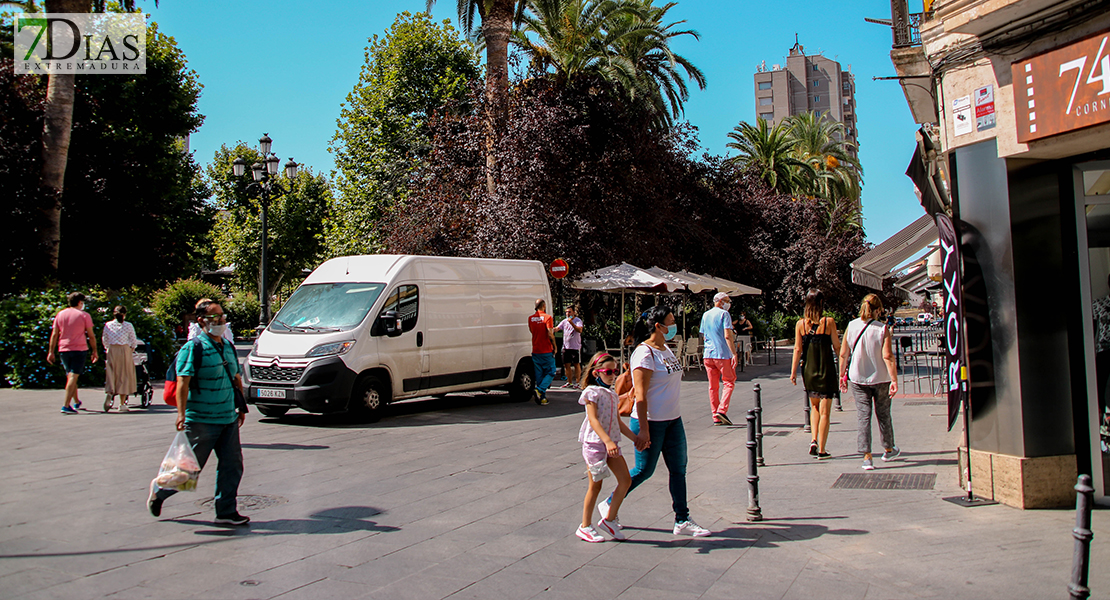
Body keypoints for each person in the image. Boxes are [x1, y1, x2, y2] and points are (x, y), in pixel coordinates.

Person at [599, 305, 711, 538]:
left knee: (679, 469)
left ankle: (682, 518)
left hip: (673, 420)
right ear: (658, 326)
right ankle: (609, 503)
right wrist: (645, 431)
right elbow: (640, 395)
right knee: (644, 470)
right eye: (670, 322)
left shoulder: (665, 349)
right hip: (651, 422)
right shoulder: (644, 353)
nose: (674, 326)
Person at [148, 300, 250, 526]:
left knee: (232, 466)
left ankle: (225, 511)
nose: (221, 321)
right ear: (202, 321)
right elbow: (183, 381)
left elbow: (235, 378)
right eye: (215, 318)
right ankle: (160, 490)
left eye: (222, 316)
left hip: (227, 417)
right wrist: (181, 414)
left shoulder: (228, 346)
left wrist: (240, 407)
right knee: (189, 469)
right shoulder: (192, 348)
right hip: (202, 419)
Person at [576, 353, 635, 542]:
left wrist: (636, 438)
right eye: (608, 372)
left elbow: (618, 421)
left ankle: (609, 519)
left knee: (625, 480)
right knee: (595, 485)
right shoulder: (591, 392)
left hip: (612, 445)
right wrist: (607, 441)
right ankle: (585, 526)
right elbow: (593, 420)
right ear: (596, 373)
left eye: (615, 372)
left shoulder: (611, 394)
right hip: (595, 445)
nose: (612, 375)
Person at [839, 294, 900, 470]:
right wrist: (894, 379)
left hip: (857, 378)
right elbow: (887, 356)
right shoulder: (882, 329)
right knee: (883, 414)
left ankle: (867, 456)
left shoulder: (851, 326)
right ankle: (888, 448)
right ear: (879, 310)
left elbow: (844, 354)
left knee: (863, 415)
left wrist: (842, 376)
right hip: (881, 378)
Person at [791, 288, 840, 459]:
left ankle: (813, 439)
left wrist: (793, 372)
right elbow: (837, 347)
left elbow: (797, 349)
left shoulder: (801, 324)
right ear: (821, 304)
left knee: (814, 406)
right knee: (826, 411)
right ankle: (822, 449)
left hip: (809, 370)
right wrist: (844, 367)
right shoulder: (829, 323)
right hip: (826, 369)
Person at [46, 292, 99, 414]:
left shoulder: (60, 314)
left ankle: (76, 401)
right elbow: (90, 335)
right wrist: (94, 350)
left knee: (70, 375)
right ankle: (66, 405)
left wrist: (51, 351)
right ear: (80, 302)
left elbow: (54, 334)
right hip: (79, 349)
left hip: (64, 348)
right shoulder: (84, 315)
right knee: (74, 376)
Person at [700, 292, 737, 425]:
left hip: (708, 354)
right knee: (729, 381)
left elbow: (703, 335)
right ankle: (722, 410)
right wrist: (734, 353)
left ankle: (715, 415)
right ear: (721, 301)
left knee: (713, 386)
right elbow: (727, 335)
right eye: (727, 301)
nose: (729, 304)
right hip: (722, 354)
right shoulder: (724, 314)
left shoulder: (706, 315)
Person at [102, 306, 138, 412]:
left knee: (111, 373)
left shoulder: (108, 325)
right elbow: (133, 339)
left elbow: (105, 338)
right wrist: (132, 348)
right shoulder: (128, 325)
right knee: (124, 375)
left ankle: (110, 392)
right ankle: (122, 404)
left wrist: (108, 348)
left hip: (112, 350)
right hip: (124, 350)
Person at [528, 298, 556, 405]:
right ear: (544, 306)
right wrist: (555, 345)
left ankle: (542, 397)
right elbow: (550, 333)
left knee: (539, 374)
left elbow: (532, 331)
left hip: (536, 349)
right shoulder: (548, 317)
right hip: (546, 349)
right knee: (551, 371)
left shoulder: (530, 318)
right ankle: (539, 390)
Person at [557, 306, 585, 389]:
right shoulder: (564, 321)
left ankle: (577, 382)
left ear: (573, 312)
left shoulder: (578, 321)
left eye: (569, 312)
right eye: (566, 312)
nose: (567, 314)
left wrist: (572, 323)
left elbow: (580, 330)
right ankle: (569, 382)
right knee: (566, 364)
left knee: (576, 364)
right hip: (566, 346)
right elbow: (557, 328)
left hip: (575, 347)